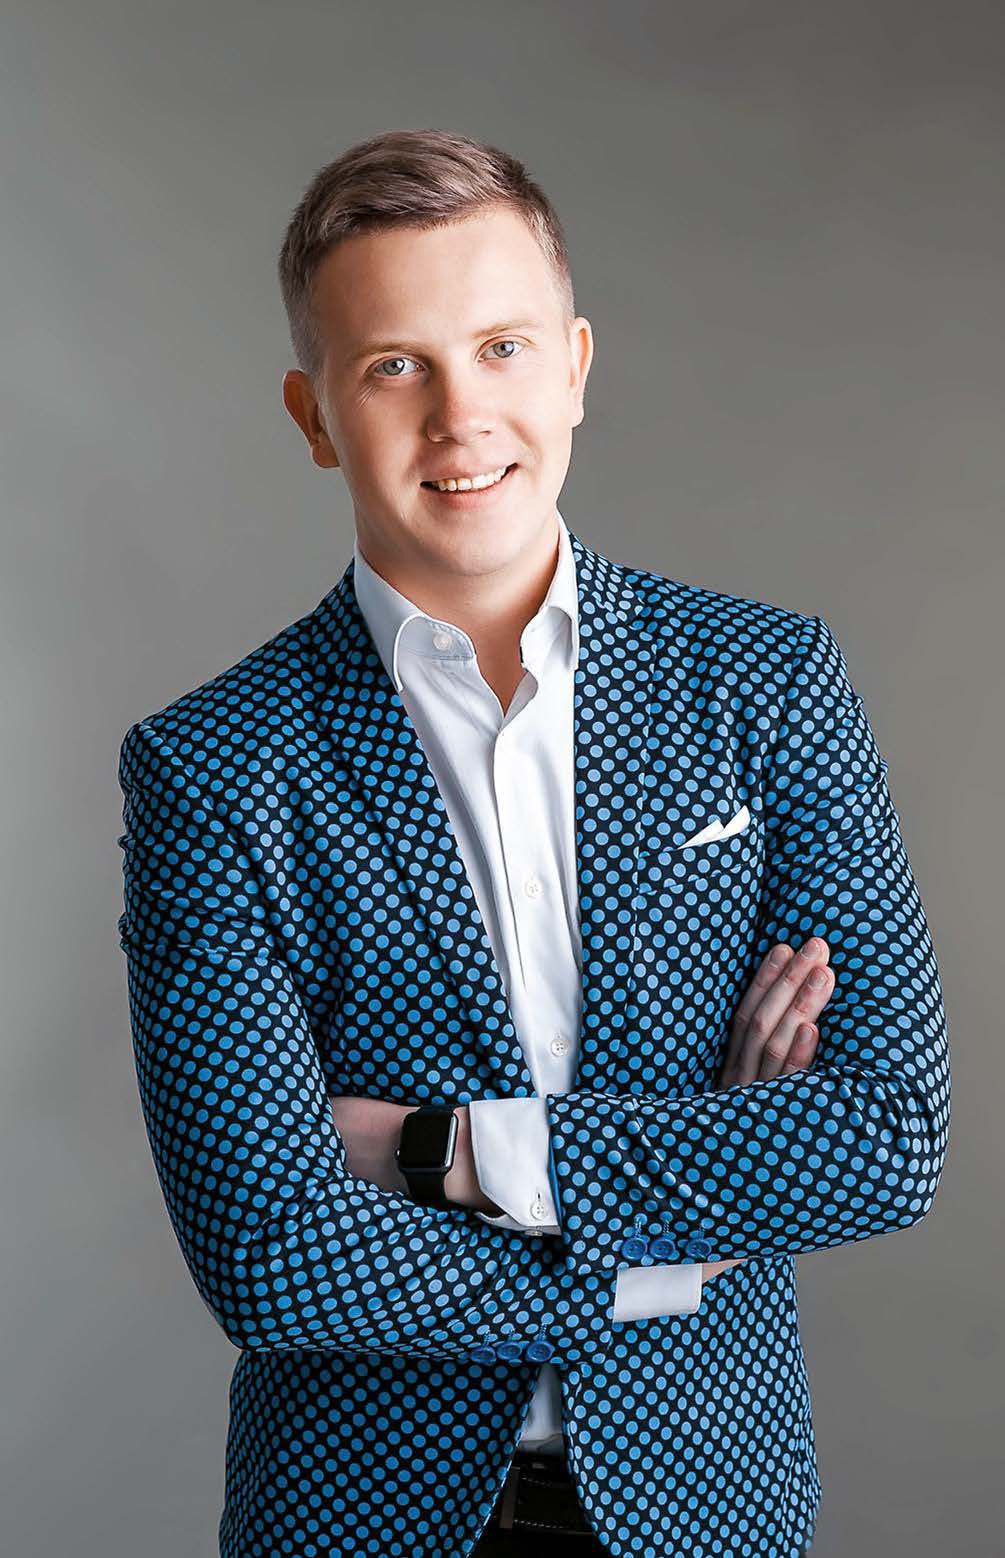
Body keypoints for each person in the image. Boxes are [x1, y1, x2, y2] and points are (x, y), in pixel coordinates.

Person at [116, 128, 950, 1558]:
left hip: (711, 1501)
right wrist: (679, 1238)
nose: (461, 414)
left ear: (572, 366)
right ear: (314, 415)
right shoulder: (214, 766)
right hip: (359, 1518)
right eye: (395, 366)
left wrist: (441, 1149)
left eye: (500, 349)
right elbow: (270, 1255)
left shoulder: (764, 682)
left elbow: (883, 1136)